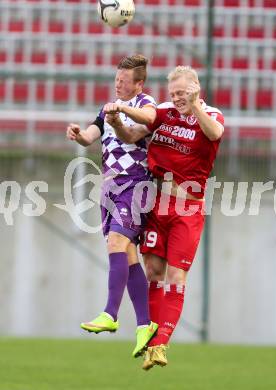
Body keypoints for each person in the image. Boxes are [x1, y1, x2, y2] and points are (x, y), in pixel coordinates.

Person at [104, 65, 225, 370]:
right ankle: (150, 336)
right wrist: (119, 120)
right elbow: (133, 134)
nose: (177, 98)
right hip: (159, 204)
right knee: (153, 271)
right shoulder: (165, 112)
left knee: (176, 277)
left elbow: (216, 133)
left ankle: (161, 345)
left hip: (188, 209)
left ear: (196, 88)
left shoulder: (211, 114)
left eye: (182, 92)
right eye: (173, 93)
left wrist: (194, 105)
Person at [66, 54, 158, 358]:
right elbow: (91, 136)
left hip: (136, 185)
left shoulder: (147, 107)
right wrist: (79, 135)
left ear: (138, 84)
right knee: (128, 256)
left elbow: (132, 133)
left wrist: (118, 118)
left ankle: (110, 314)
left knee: (117, 242)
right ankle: (145, 324)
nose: (117, 85)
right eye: (116, 80)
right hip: (110, 188)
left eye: (123, 82)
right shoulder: (107, 108)